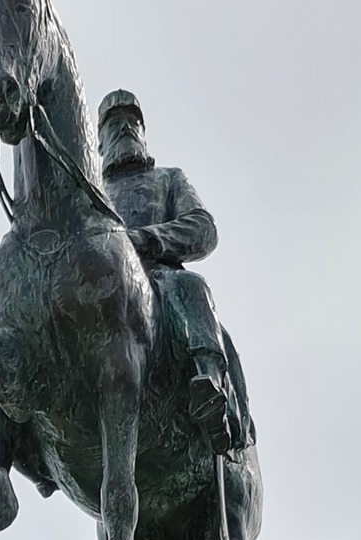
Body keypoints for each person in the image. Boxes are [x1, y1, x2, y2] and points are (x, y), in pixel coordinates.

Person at [98, 88, 243, 452]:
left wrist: (148, 239)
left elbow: (202, 228)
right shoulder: (92, 194)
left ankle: (208, 383)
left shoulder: (168, 180)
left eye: (133, 122)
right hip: (101, 291)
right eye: (115, 124)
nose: (126, 129)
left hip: (158, 281)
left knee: (189, 287)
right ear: (98, 141)